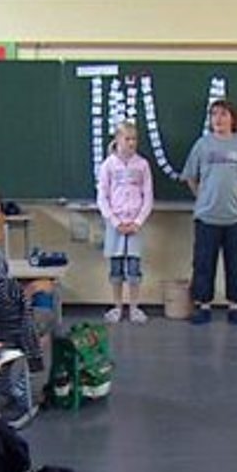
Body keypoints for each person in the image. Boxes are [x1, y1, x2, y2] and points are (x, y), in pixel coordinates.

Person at [182, 100, 237, 326]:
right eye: (214, 114)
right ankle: (203, 306)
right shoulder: (202, 145)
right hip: (207, 216)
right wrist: (203, 197)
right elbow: (190, 176)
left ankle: (235, 307)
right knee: (203, 263)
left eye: (223, 114)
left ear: (233, 119)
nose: (218, 119)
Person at [96, 121, 154, 325]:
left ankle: (134, 307)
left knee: (134, 269)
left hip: (135, 224)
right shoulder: (108, 165)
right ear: (117, 139)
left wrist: (138, 221)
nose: (131, 143)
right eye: (127, 139)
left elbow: (148, 196)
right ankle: (117, 306)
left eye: (134, 139)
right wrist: (114, 221)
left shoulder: (142, 165)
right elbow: (102, 196)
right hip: (116, 225)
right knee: (116, 268)